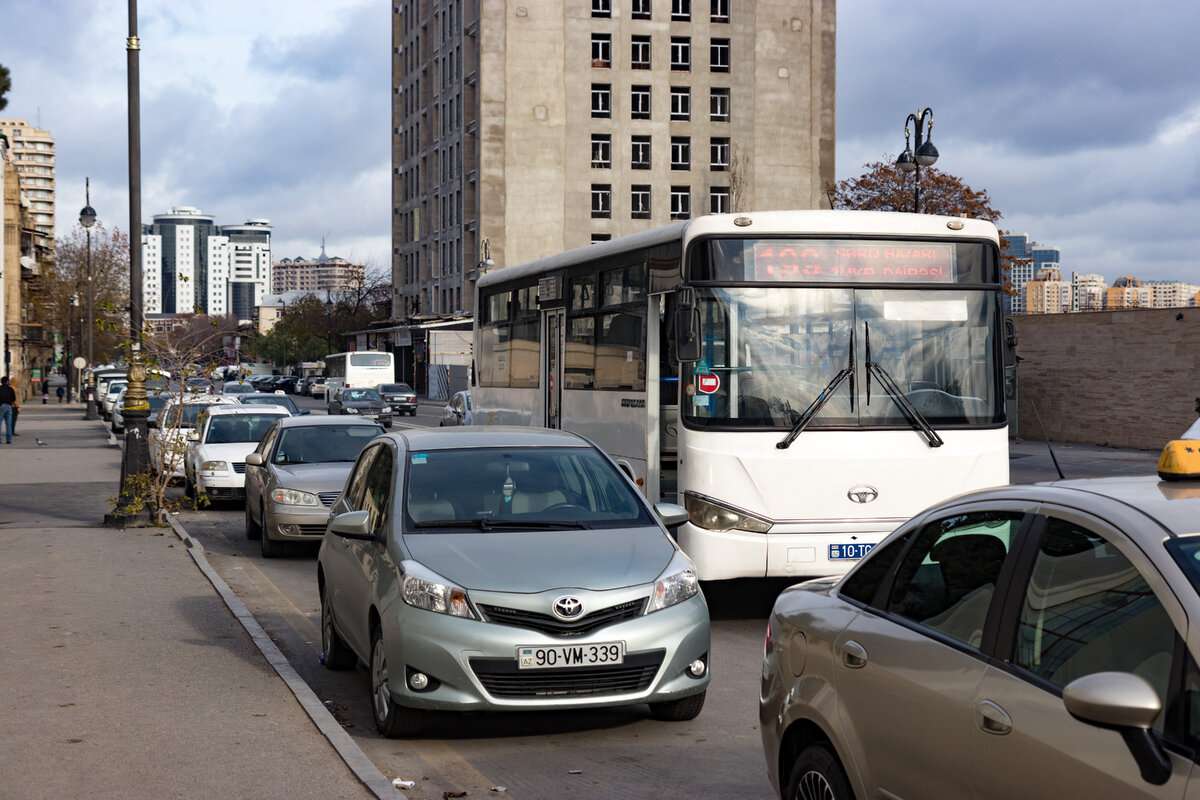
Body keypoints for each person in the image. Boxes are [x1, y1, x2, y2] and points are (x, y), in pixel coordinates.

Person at [0, 376, 15, 443]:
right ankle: (9, 439)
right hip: (9, 406)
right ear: (7, 381)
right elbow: (13, 399)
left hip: (0, 406)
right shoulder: (10, 389)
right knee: (8, 423)